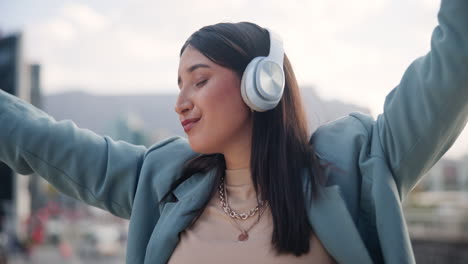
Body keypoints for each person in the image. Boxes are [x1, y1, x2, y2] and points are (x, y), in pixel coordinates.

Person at [0, 0, 467, 263]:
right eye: (179, 84)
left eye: (199, 80)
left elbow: (455, 63)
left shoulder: (355, 166)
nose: (181, 100)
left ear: (262, 83)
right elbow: (39, 139)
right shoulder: (162, 180)